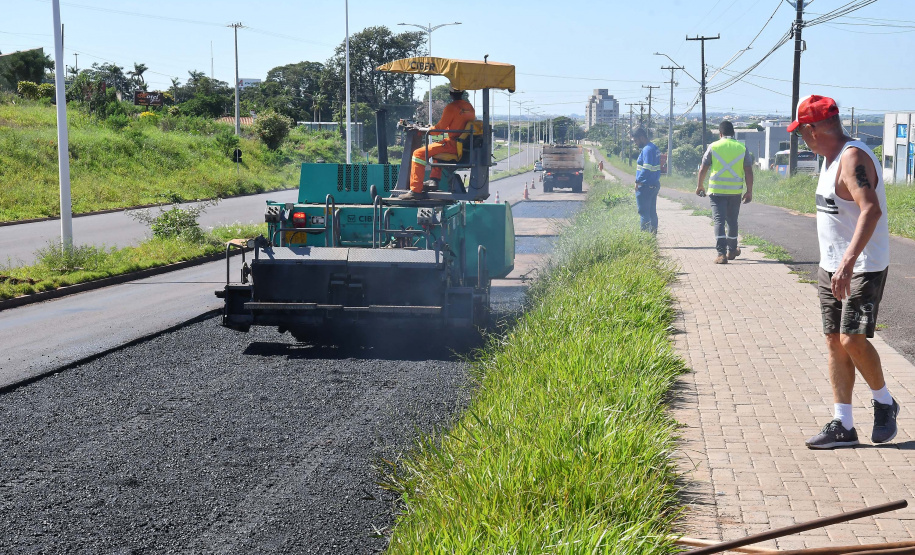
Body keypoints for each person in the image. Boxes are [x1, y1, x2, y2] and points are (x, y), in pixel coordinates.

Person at [787, 95, 897, 449]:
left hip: (862, 266)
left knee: (852, 338)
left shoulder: (852, 157)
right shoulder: (829, 159)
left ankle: (884, 402)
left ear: (812, 129)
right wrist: (836, 263)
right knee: (835, 341)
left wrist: (849, 261)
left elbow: (871, 210)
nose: (800, 138)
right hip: (831, 266)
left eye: (800, 132)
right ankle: (843, 424)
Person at [399, 88, 476, 200]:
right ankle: (434, 180)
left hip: (453, 145)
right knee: (436, 147)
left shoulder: (451, 107)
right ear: (462, 93)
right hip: (463, 145)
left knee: (418, 153)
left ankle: (415, 190)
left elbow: (438, 130)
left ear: (450, 94)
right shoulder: (469, 107)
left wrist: (421, 128)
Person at [696, 121, 754, 264]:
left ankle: (721, 254)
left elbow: (703, 168)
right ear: (733, 133)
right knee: (732, 221)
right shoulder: (742, 147)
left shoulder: (713, 146)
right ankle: (732, 250)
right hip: (735, 192)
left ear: (720, 133)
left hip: (716, 192)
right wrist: (749, 191)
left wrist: (699, 186)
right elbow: (748, 170)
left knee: (719, 221)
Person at [632, 128, 661, 233]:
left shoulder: (647, 150)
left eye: (636, 141)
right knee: (652, 212)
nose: (635, 143)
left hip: (645, 186)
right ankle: (653, 237)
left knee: (644, 213)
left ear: (642, 138)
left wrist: (638, 181)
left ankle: (644, 240)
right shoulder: (654, 147)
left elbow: (646, 168)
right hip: (654, 185)